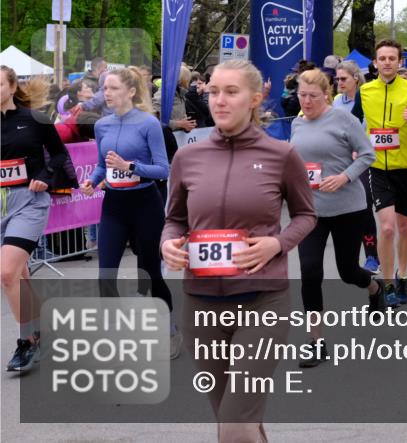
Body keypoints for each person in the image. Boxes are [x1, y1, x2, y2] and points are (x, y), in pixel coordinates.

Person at [161, 60, 316, 443]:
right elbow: (174, 219)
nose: (219, 100)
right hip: (200, 302)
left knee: (233, 424)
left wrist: (277, 243)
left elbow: (305, 215)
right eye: (213, 91)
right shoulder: (187, 157)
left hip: (263, 300)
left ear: (255, 98)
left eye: (231, 92)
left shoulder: (282, 154)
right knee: (233, 419)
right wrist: (167, 243)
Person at [78, 67, 179, 353]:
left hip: (146, 204)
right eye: (104, 89)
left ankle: (169, 328)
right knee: (105, 273)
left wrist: (130, 167)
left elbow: (162, 169)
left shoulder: (149, 124)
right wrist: (93, 181)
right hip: (114, 206)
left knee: (150, 273)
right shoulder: (102, 126)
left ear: (131, 92)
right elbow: (101, 164)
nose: (106, 94)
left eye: (112, 88)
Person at [290, 69, 384, 367]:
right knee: (309, 271)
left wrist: (344, 176)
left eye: (312, 96)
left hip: (347, 207)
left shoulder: (344, 119)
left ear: (326, 95)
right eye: (302, 95)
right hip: (311, 210)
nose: (306, 101)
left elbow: (368, 155)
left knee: (347, 272)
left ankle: (374, 287)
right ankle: (316, 342)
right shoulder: (296, 122)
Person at [1, 67, 75, 372]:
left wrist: (44, 176)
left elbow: (59, 155)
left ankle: (27, 342)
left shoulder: (34, 119)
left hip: (29, 202)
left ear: (12, 86)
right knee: (21, 276)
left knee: (6, 273)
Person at [353, 39, 407, 306]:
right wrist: (354, 147)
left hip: (406, 167)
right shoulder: (364, 92)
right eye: (382, 58)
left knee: (404, 225)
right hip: (377, 168)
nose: (387, 62)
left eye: (392, 58)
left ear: (400, 63)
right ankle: (387, 284)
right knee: (386, 228)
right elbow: (351, 124)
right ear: (375, 63)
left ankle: (403, 275)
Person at [332, 60, 380, 272]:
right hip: (340, 161)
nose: (339, 82)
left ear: (356, 79)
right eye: (337, 79)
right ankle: (348, 260)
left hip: (362, 159)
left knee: (364, 206)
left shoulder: (368, 97)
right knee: (344, 210)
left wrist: (359, 146)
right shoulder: (336, 101)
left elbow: (371, 126)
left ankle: (372, 257)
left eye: (343, 79)